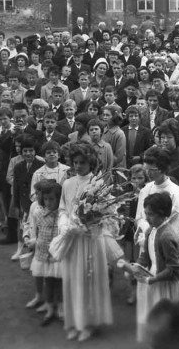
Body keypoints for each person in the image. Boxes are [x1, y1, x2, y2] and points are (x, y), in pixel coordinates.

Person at [58, 142, 121, 342]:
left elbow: (110, 211)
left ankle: (89, 323)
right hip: (72, 239)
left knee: (88, 281)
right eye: (75, 162)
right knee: (72, 280)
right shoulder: (67, 184)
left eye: (82, 162)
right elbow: (62, 208)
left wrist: (92, 222)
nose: (78, 166)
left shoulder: (98, 183)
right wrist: (65, 224)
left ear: (90, 162)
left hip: (90, 240)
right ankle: (76, 321)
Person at [129, 192, 179, 342]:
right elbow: (146, 254)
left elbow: (174, 269)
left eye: (151, 214)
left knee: (166, 322)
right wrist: (137, 267)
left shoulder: (167, 236)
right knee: (153, 319)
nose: (147, 218)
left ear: (163, 214)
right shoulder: (150, 230)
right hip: (153, 277)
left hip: (165, 283)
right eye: (146, 213)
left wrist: (153, 279)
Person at [26, 180, 63, 326]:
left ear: (58, 199)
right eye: (45, 199)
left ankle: (60, 307)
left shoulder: (62, 215)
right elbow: (35, 230)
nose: (48, 202)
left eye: (51, 199)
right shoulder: (38, 212)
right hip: (43, 253)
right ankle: (49, 308)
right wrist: (32, 241)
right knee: (48, 282)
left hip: (57, 255)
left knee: (59, 282)